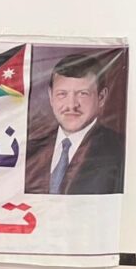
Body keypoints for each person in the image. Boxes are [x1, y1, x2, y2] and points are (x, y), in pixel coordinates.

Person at [24, 53, 125, 195]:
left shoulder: (121, 152)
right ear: (51, 96)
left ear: (101, 97)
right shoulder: (30, 151)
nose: (71, 105)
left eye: (82, 93)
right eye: (62, 94)